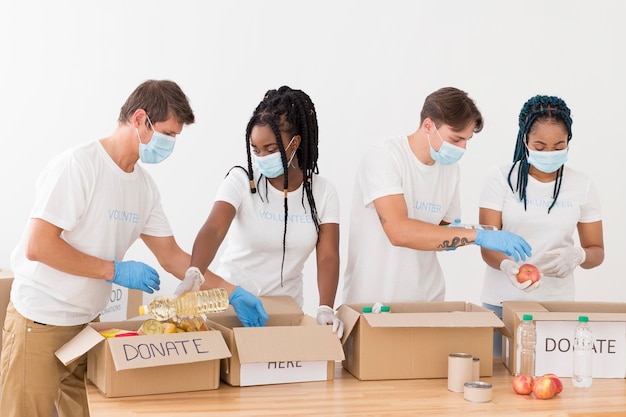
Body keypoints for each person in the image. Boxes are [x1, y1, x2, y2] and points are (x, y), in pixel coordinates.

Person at [0, 79, 240, 417]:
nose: (170, 145)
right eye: (168, 135)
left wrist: (234, 291)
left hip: (87, 326)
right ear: (140, 119)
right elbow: (38, 246)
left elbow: (173, 257)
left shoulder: (144, 188)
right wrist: (115, 270)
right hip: (40, 322)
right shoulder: (79, 166)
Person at [176, 86, 343, 336]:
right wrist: (194, 272)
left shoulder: (322, 192)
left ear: (295, 143)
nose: (262, 157)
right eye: (256, 150)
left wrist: (325, 308)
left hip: (285, 312)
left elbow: (328, 255)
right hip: (229, 305)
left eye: (271, 149)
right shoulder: (241, 181)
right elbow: (214, 229)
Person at [342, 87, 532, 304]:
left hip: (427, 299)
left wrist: (461, 234)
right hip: (374, 301)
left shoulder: (450, 170)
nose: (463, 148)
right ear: (428, 125)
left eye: (467, 140)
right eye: (456, 139)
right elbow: (398, 232)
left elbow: (442, 230)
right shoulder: (385, 157)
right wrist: (477, 235)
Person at [479, 95, 604, 355]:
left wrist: (579, 255)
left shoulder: (583, 185)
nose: (550, 153)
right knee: (500, 382)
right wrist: (507, 265)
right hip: (502, 304)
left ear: (569, 143)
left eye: (559, 146)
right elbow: (487, 244)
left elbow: (596, 251)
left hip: (556, 308)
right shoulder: (502, 178)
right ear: (525, 140)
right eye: (540, 145)